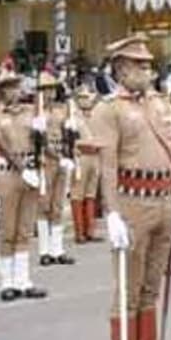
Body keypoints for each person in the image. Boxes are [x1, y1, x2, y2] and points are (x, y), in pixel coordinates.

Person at [90, 34, 171, 340]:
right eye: (139, 65)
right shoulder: (108, 110)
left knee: (150, 290)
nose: (148, 70)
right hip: (132, 203)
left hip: (163, 200)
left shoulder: (159, 103)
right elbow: (108, 165)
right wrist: (111, 212)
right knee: (128, 293)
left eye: (149, 64)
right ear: (120, 69)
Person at [0, 69, 47, 301]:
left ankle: (23, 280)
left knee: (24, 229)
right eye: (9, 87)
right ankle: (7, 282)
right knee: (8, 230)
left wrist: (41, 130)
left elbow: (39, 142)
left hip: (30, 170)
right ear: (1, 91)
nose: (14, 91)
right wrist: (21, 167)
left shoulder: (30, 111)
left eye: (16, 86)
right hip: (9, 171)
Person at [36, 72, 77, 267]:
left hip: (62, 156)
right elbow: (38, 139)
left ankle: (57, 249)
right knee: (44, 205)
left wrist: (68, 155)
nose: (49, 92)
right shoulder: (37, 111)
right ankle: (44, 250)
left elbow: (69, 134)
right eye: (45, 89)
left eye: (52, 88)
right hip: (46, 159)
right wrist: (56, 155)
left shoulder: (63, 108)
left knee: (58, 205)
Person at [69, 85, 102, 243]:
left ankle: (91, 230)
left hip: (95, 155)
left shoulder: (97, 116)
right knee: (78, 194)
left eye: (88, 97)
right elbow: (69, 139)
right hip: (81, 155)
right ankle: (79, 232)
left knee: (91, 194)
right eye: (82, 97)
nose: (85, 100)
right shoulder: (73, 117)